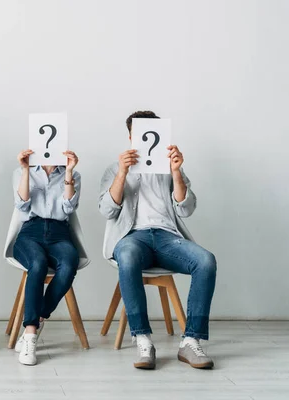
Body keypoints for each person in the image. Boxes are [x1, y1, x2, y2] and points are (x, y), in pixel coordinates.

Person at [98, 110, 217, 370]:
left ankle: (191, 340)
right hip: (132, 237)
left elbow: (186, 209)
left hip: (167, 237)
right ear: (131, 136)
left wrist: (176, 173)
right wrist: (122, 173)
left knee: (206, 261)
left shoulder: (170, 167)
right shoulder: (114, 168)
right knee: (127, 257)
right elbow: (107, 210)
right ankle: (143, 339)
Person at [12, 149, 81, 366]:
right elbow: (22, 205)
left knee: (69, 264)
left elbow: (69, 207)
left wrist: (69, 171)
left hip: (59, 232)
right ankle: (31, 332)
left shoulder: (73, 174)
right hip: (30, 231)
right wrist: (25, 170)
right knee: (38, 263)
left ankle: (38, 317)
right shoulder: (23, 171)